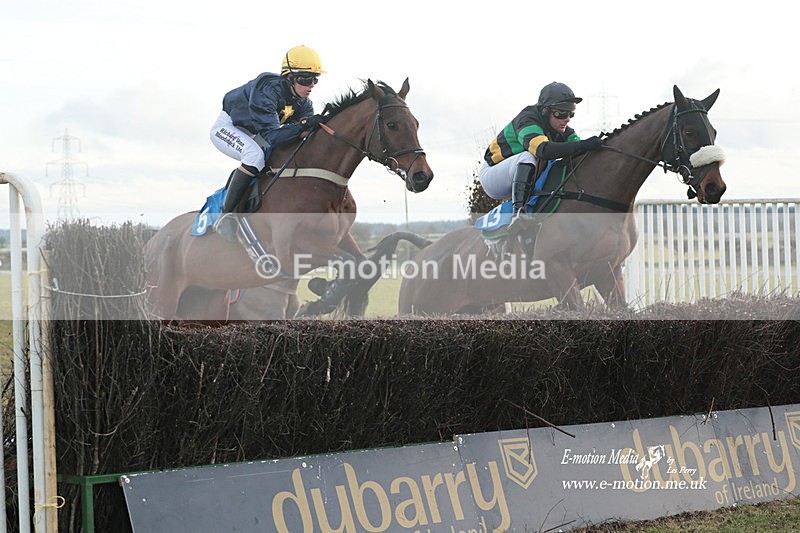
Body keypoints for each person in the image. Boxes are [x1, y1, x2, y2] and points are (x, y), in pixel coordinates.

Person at [209, 44, 328, 241]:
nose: (311, 85)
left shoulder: (304, 104)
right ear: (289, 77)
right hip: (229, 128)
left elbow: (299, 136)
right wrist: (304, 125)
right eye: (305, 79)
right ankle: (227, 215)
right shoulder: (267, 89)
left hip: (258, 133)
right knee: (254, 156)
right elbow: (274, 136)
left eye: (315, 79)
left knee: (275, 157)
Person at [478, 81, 603, 218]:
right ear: (545, 111)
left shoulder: (563, 129)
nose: (567, 119)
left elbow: (579, 151)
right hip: (493, 174)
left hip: (518, 176)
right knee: (528, 156)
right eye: (561, 113)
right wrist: (584, 145)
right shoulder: (527, 119)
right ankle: (519, 213)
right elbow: (543, 150)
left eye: (570, 113)